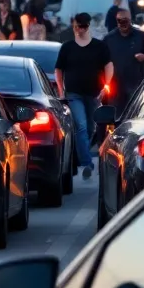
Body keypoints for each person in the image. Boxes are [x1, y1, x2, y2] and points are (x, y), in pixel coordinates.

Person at [55, 12, 113, 180]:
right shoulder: (67, 47)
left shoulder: (99, 47)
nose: (80, 30)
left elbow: (109, 66)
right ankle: (87, 163)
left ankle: (83, 155)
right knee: (80, 126)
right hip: (74, 93)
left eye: (83, 26)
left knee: (90, 128)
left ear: (88, 27)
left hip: (94, 94)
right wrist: (61, 90)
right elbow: (58, 69)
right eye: (77, 26)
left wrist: (106, 86)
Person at [103, 9, 144, 117]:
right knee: (116, 118)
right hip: (115, 88)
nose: (123, 24)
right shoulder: (109, 39)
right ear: (116, 21)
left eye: (125, 21)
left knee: (136, 116)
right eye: (119, 21)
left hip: (136, 86)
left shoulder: (140, 36)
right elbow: (100, 61)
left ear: (130, 20)